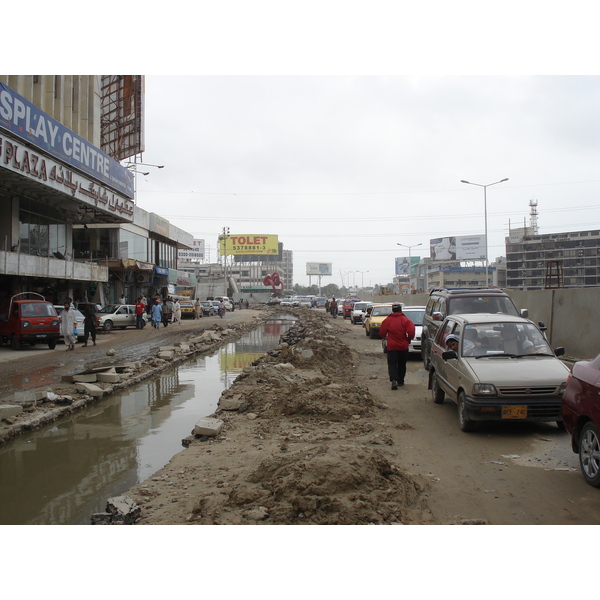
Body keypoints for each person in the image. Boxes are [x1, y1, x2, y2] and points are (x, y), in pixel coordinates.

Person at [379, 303, 415, 390]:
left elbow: (382, 333)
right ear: (400, 310)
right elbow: (411, 332)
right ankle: (401, 381)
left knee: (392, 363)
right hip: (403, 346)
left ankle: (394, 379)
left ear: (392, 310)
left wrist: (385, 336)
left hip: (392, 346)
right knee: (402, 363)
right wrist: (408, 339)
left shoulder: (387, 320)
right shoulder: (406, 320)